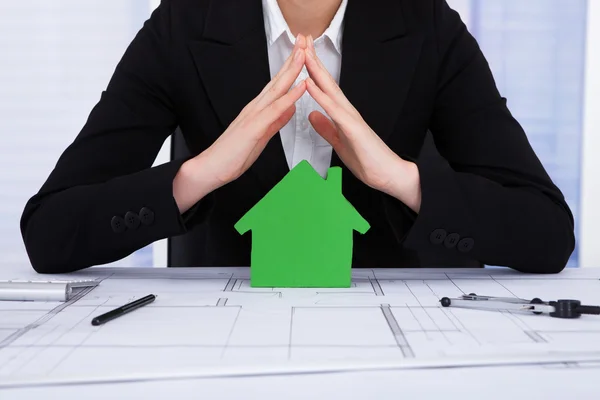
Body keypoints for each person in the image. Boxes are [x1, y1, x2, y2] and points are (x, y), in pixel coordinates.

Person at [20, 0, 575, 274]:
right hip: (216, 357)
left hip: (390, 356)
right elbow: (49, 232)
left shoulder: (425, 23)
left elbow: (548, 232)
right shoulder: (185, 23)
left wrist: (399, 179)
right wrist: (204, 172)